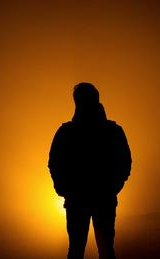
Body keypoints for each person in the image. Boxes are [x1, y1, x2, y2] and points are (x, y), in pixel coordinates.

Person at [48, 82, 132, 259]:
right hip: (94, 199)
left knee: (85, 250)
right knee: (98, 250)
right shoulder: (112, 131)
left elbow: (125, 162)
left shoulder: (67, 132)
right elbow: (54, 163)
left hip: (88, 199)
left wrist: (65, 189)